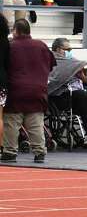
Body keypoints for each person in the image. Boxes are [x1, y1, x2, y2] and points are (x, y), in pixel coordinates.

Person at [0, 17, 54, 162]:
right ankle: (39, 152)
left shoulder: (10, 46)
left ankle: (10, 152)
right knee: (36, 123)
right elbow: (50, 65)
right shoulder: (41, 45)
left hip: (16, 90)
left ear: (16, 31)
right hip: (38, 90)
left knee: (11, 122)